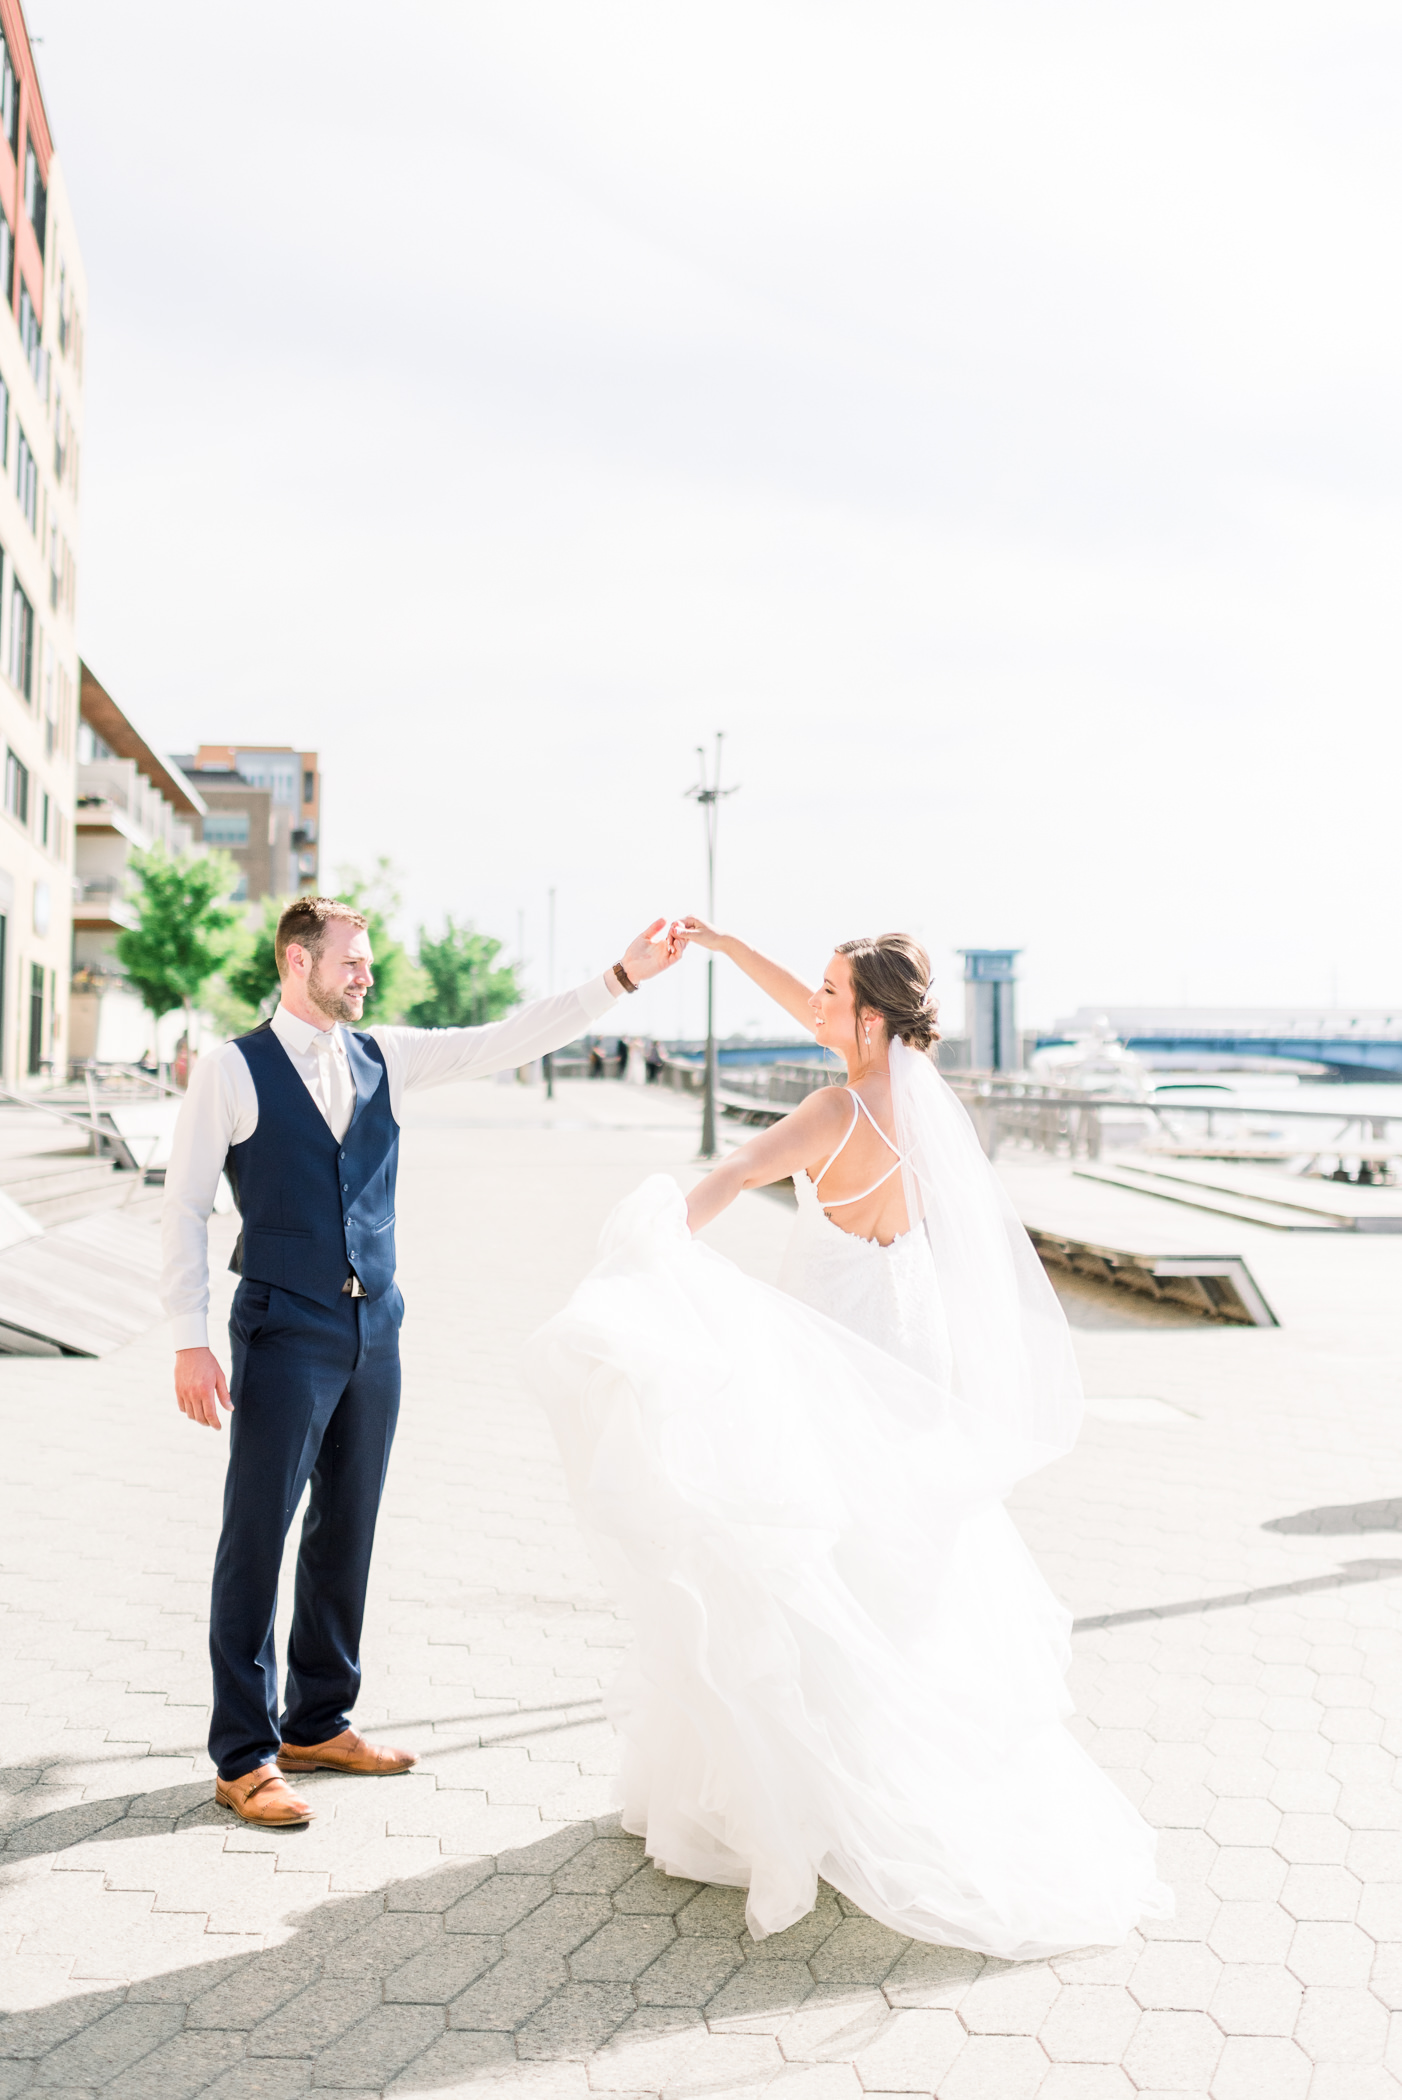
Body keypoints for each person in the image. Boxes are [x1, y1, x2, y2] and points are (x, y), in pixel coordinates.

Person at [527, 922, 1173, 1958]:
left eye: (831, 993)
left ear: (869, 1019)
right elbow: (825, 1022)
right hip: (902, 1353)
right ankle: (879, 1775)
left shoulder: (833, 1109)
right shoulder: (920, 1103)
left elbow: (735, 1174)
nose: (814, 1006)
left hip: (826, 1352)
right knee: (891, 1568)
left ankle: (810, 1800)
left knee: (796, 1564)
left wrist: (651, 1244)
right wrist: (730, 946)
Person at [163, 896, 681, 1829]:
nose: (366, 975)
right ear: (297, 961)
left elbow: (509, 1038)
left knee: (347, 1527)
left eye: (367, 962)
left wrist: (623, 976)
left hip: (377, 1328)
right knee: (258, 1533)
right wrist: (188, 1338)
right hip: (281, 1325)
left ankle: (317, 1721)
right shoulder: (231, 1071)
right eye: (350, 961)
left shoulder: (386, 1055)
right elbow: (184, 1205)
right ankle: (242, 1755)